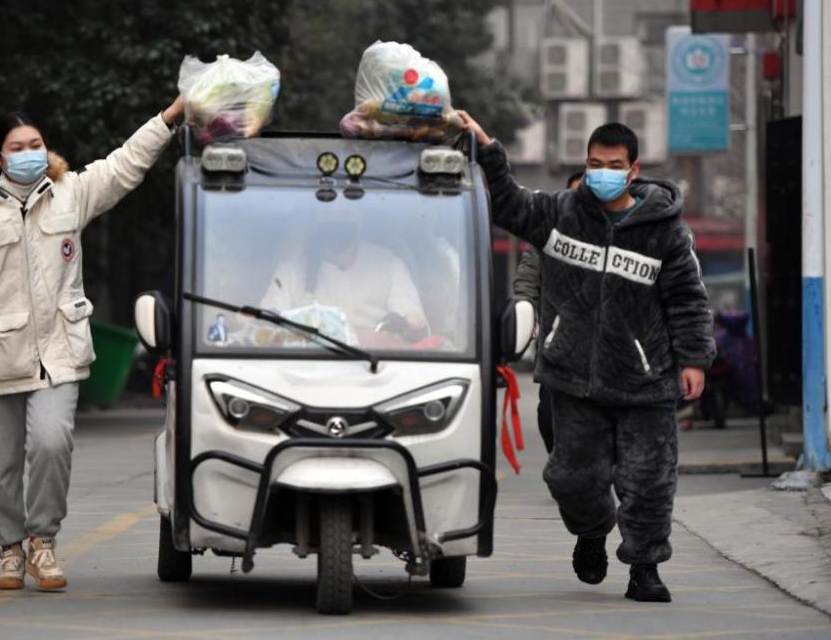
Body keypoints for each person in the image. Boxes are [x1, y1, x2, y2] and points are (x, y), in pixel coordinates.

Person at [458, 112, 715, 604]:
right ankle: (592, 532)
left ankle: (644, 567)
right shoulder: (560, 213)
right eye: (594, 163)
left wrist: (694, 359)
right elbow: (508, 203)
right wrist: (488, 146)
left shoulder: (665, 231)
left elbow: (688, 297)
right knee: (570, 477)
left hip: (646, 381)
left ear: (633, 170)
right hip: (574, 378)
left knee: (648, 481)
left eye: (613, 164)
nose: (602, 172)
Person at [0, 97, 185, 591]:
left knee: (53, 443)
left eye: (36, 144)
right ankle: (9, 549)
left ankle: (42, 543)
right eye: (16, 147)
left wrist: (169, 117)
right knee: (3, 464)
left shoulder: (70, 194)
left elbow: (124, 165)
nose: (29, 152)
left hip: (59, 351)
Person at [259, 205, 427, 342]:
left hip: (377, 367)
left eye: (345, 212)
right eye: (328, 212)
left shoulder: (389, 264)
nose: (336, 220)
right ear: (316, 220)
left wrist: (409, 326)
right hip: (307, 370)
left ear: (360, 220)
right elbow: (265, 327)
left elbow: (413, 324)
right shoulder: (290, 270)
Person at [512, 171, 584, 454]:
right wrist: (526, 313)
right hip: (556, 352)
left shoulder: (616, 238)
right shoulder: (546, 239)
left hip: (604, 357)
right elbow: (527, 281)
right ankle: (562, 465)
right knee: (549, 418)